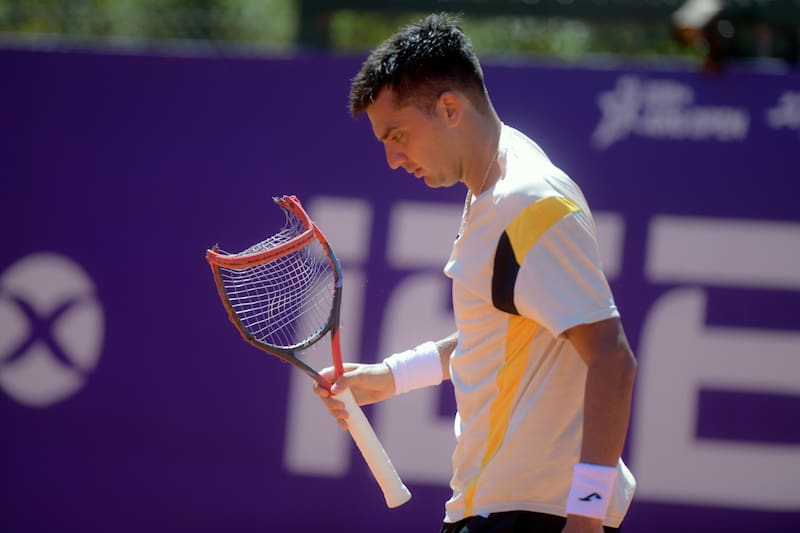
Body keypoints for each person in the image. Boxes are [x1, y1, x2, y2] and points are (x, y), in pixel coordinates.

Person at [314, 12, 638, 533]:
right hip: (500, 508)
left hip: (533, 514)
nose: (393, 159)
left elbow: (612, 359)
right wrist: (390, 377)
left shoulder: (529, 203)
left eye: (398, 135)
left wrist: (586, 514)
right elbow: (505, 335)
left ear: (449, 108)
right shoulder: (496, 183)